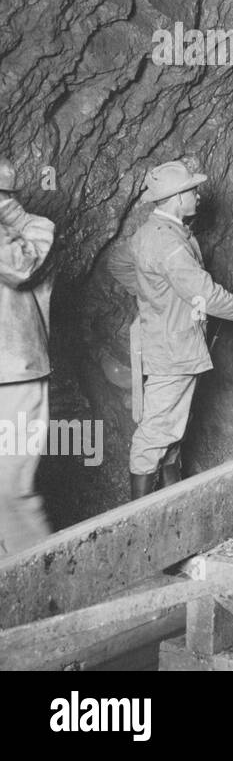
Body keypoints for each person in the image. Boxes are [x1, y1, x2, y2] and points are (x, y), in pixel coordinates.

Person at [108, 160, 233, 499]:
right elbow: (207, 295)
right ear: (177, 197)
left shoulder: (149, 233)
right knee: (155, 433)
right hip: (173, 349)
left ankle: (172, 501)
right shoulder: (169, 245)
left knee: (172, 426)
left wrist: (154, 295)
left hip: (166, 341)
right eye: (192, 190)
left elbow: (119, 262)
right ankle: (140, 518)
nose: (197, 195)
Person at [0, 156, 54, 556]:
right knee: (9, 491)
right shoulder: (25, 231)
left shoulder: (16, 235)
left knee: (8, 491)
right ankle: (37, 596)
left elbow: (23, 265)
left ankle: (33, 596)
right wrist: (16, 214)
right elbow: (23, 265)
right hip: (13, 371)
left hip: (14, 371)